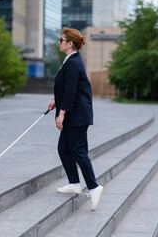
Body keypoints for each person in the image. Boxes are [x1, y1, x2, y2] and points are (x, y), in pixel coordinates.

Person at [47, 27, 103, 211]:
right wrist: (56, 100)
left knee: (78, 151)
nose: (59, 43)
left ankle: (94, 187)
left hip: (76, 116)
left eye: (61, 40)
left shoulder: (73, 63)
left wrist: (61, 114)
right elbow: (68, 88)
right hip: (75, 114)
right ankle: (74, 184)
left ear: (70, 43)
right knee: (63, 148)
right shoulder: (71, 61)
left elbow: (71, 91)